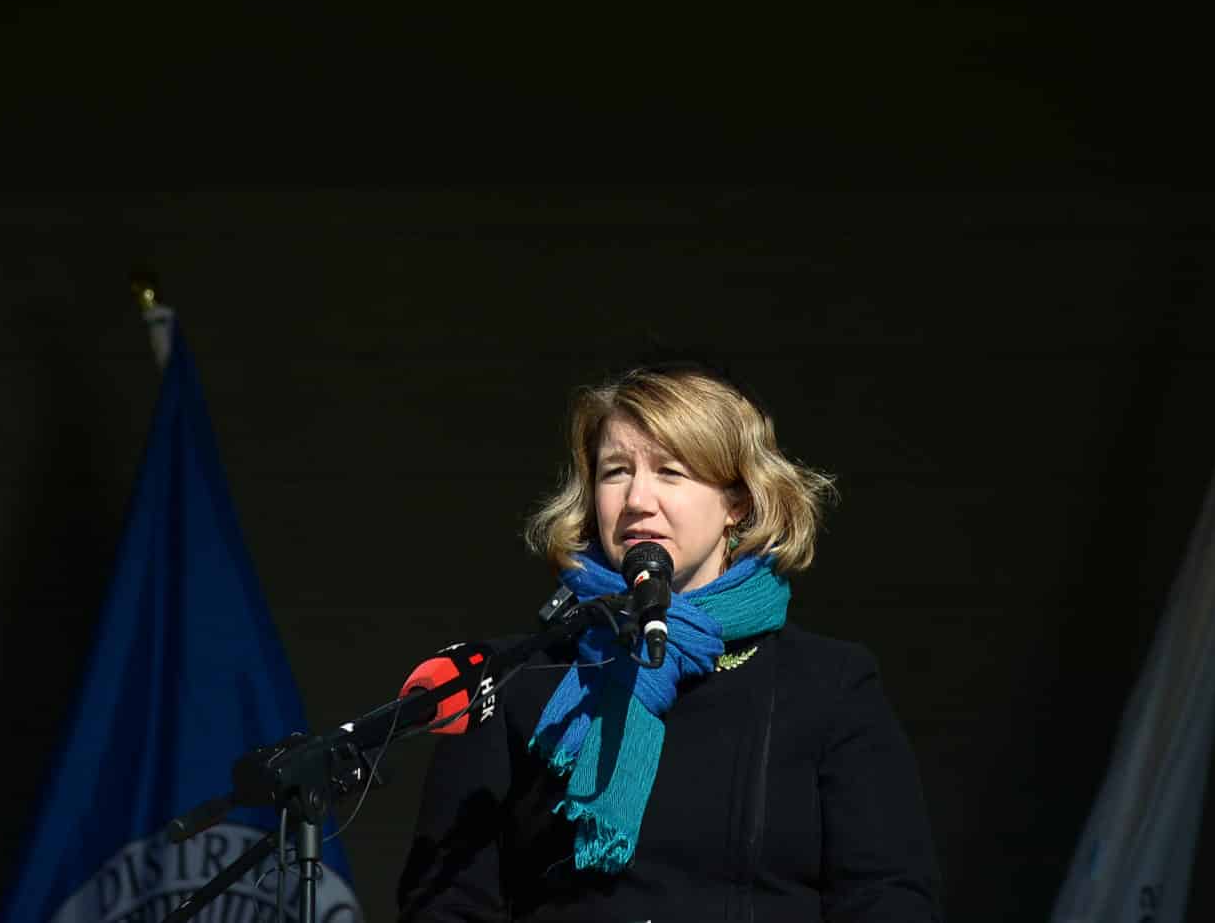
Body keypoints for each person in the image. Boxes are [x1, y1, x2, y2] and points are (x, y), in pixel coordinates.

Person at [397, 364, 942, 922]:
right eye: (615, 471)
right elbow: (445, 902)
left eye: (670, 472)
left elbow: (888, 896)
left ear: (738, 501)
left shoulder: (829, 685)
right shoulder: (515, 682)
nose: (637, 498)